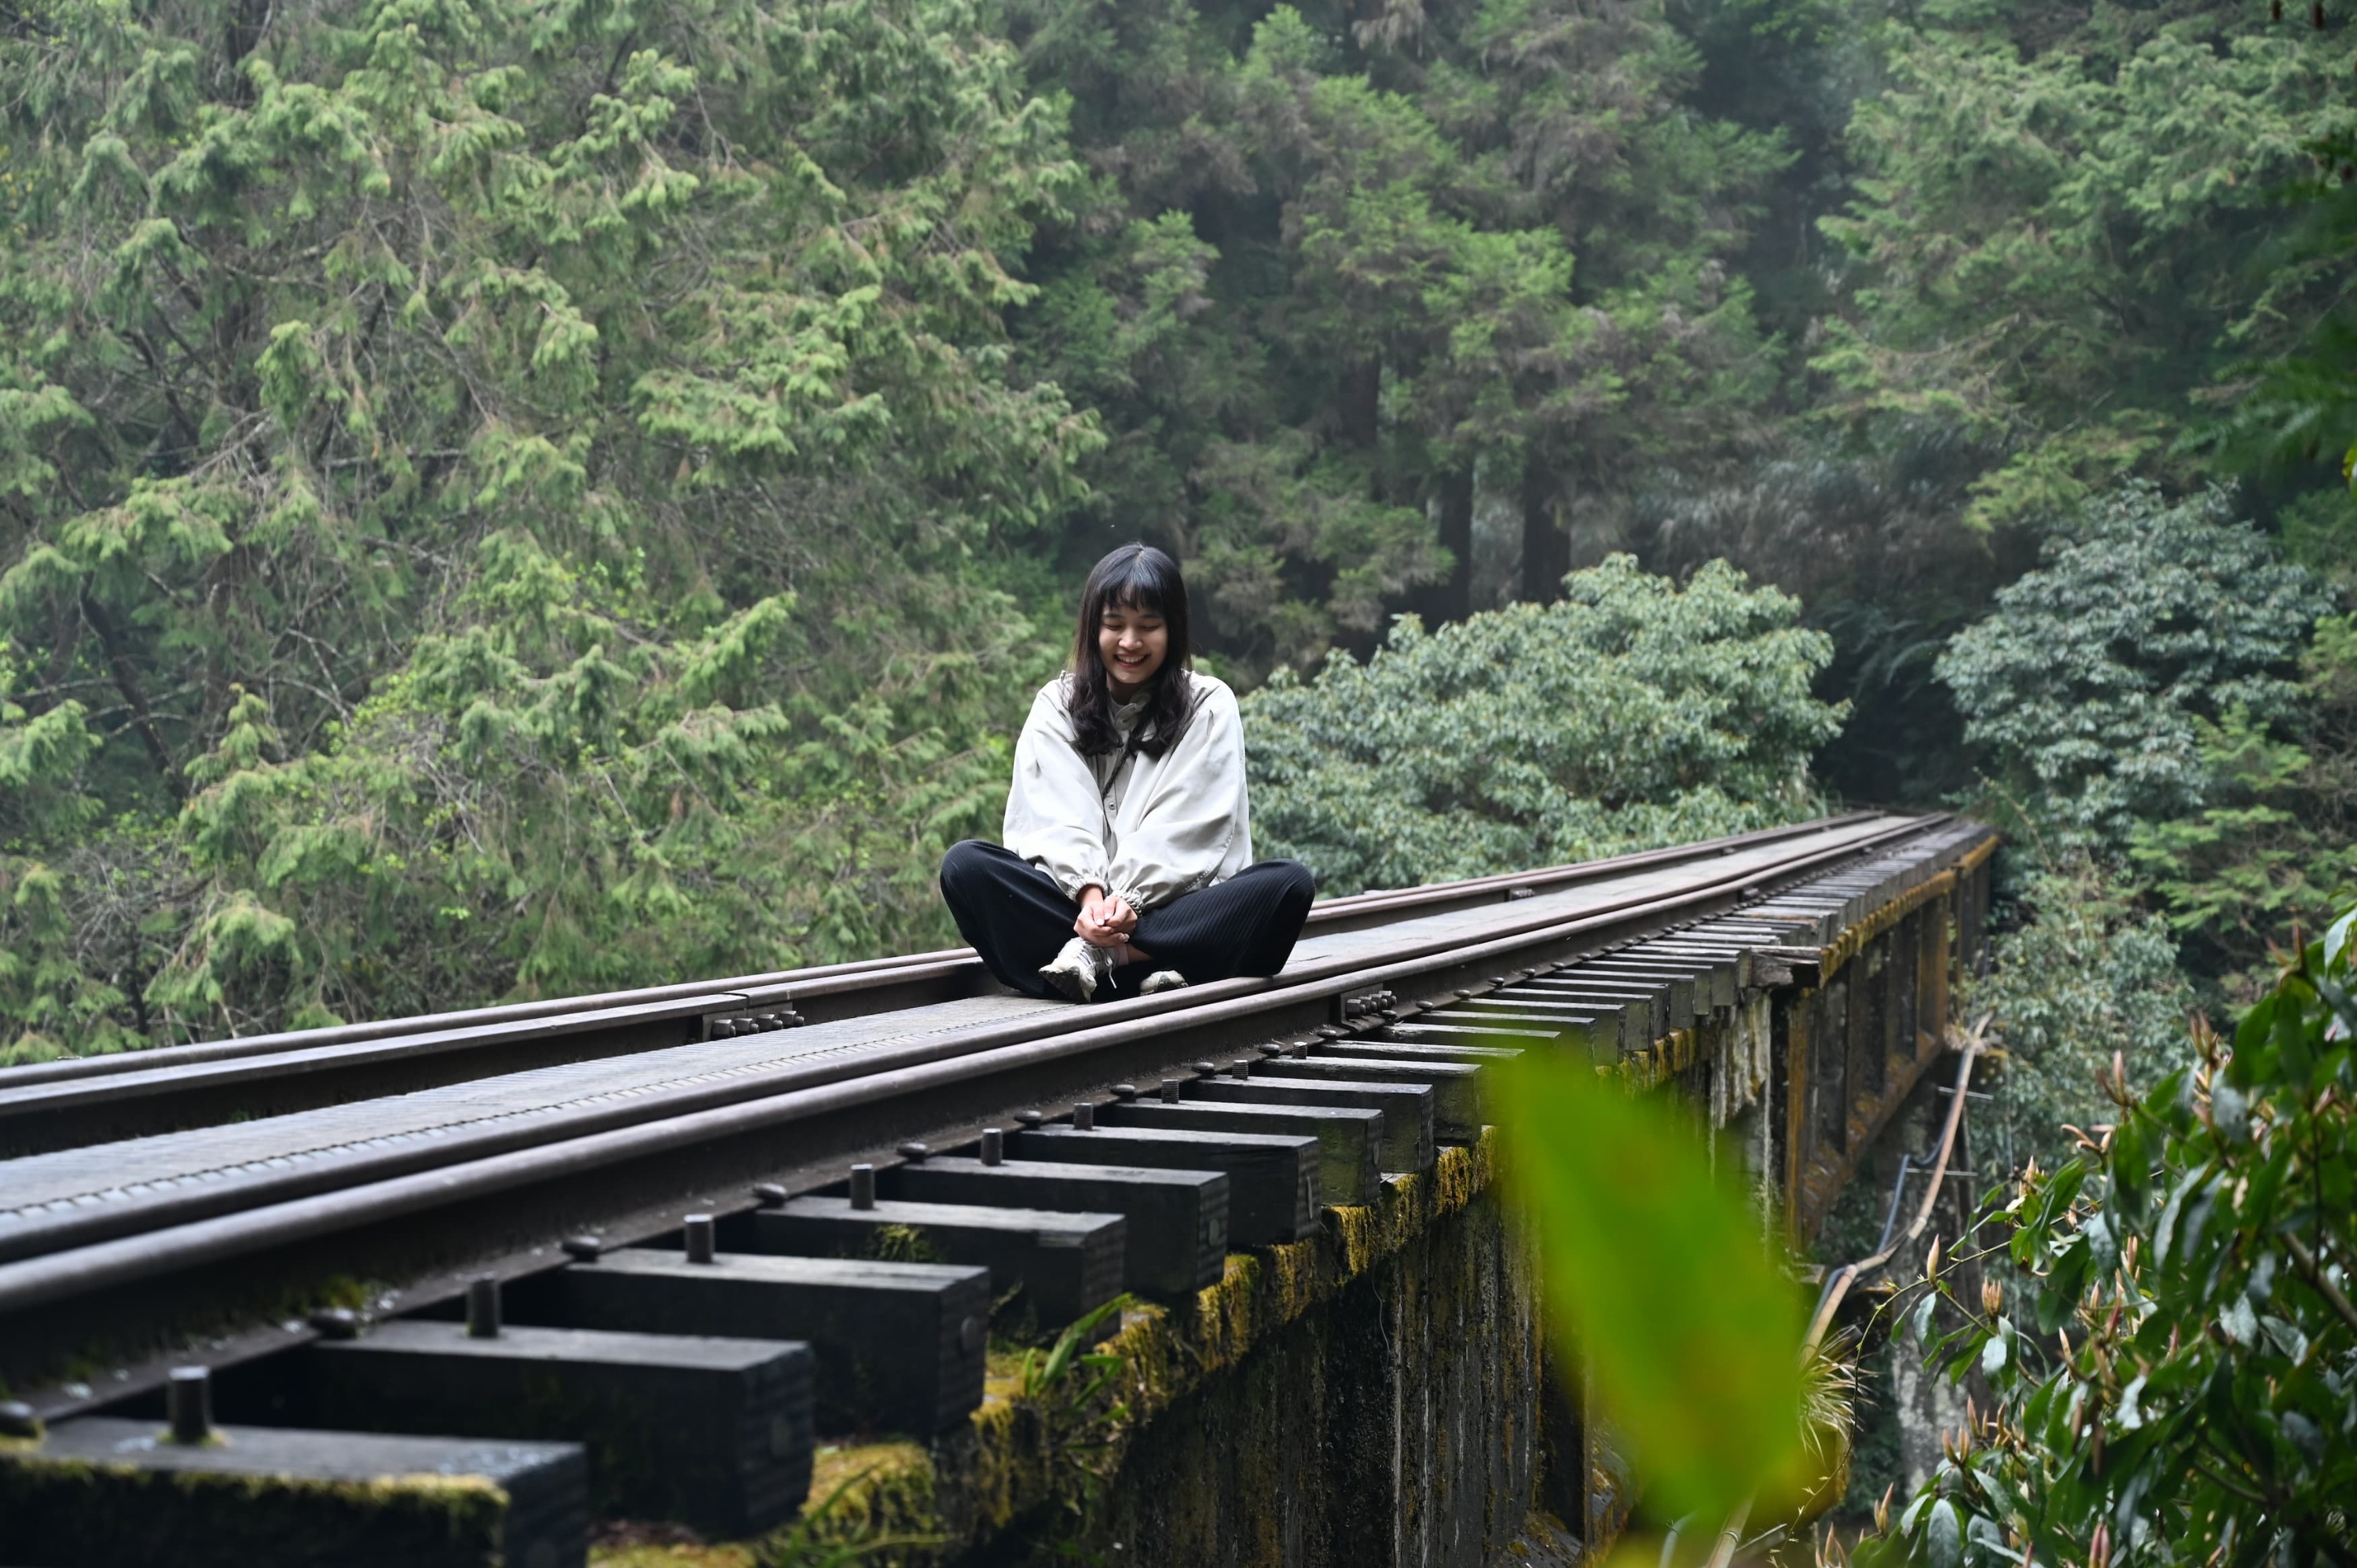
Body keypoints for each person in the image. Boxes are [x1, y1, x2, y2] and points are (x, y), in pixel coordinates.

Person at [939, 544, 1316, 1002]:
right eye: (1114, 625)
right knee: (966, 866)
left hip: (1177, 908)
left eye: (1149, 627)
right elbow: (1058, 820)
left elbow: (1187, 831)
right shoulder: (1057, 705)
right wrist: (1094, 903)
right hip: (1081, 910)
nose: (1130, 642)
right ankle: (1151, 965)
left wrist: (1130, 904)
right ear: (1092, 628)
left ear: (1173, 630)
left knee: (1287, 886)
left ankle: (1104, 961)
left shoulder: (1208, 704)